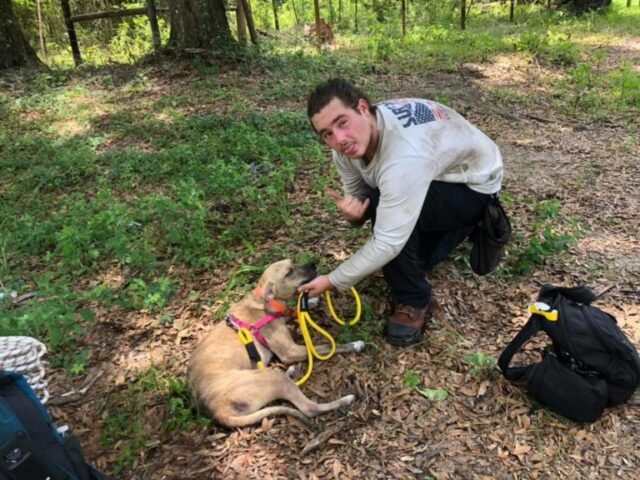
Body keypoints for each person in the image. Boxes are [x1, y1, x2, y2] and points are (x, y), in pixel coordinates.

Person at [298, 78, 503, 346]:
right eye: (327, 133)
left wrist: (333, 280)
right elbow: (359, 197)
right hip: (436, 170)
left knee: (386, 207)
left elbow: (387, 241)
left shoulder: (405, 154)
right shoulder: (347, 147)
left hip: (473, 183)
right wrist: (355, 215)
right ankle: (455, 231)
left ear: (362, 108)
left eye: (342, 122)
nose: (339, 139)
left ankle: (414, 299)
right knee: (390, 214)